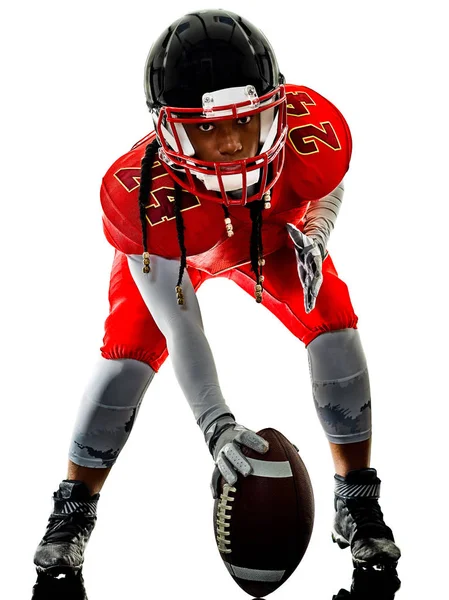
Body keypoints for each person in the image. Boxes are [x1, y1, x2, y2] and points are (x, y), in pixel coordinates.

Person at [34, 8, 401, 580]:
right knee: (127, 359)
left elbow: (326, 180)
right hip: (178, 243)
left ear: (276, 112)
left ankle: (357, 497)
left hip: (270, 232)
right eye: (205, 127)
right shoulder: (143, 198)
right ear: (169, 129)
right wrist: (216, 423)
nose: (230, 143)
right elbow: (185, 327)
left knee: (335, 322)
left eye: (245, 121)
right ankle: (73, 509)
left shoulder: (305, 136)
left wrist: (319, 235)